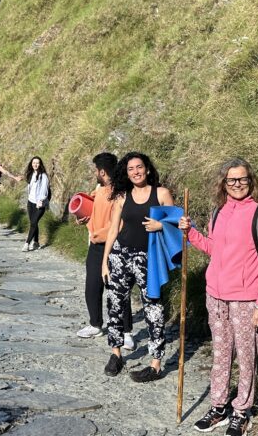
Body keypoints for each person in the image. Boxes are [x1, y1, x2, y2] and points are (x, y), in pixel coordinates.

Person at [179, 157, 258, 436]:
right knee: (221, 354)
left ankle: (242, 411)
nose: (237, 185)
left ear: (251, 181)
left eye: (243, 179)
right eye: (231, 180)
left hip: (247, 300)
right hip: (216, 296)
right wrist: (191, 234)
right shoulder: (217, 212)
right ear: (223, 183)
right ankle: (219, 406)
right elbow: (215, 249)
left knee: (247, 356)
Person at [101, 152, 174, 382]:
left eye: (139, 167)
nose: (136, 172)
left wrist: (160, 224)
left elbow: (175, 225)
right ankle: (116, 354)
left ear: (148, 169)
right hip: (120, 255)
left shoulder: (161, 194)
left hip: (147, 258)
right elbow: (113, 229)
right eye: (131, 168)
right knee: (115, 303)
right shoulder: (122, 196)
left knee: (153, 308)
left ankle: (155, 363)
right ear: (127, 172)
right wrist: (105, 261)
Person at [75, 152, 135, 350]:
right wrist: (83, 218)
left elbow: (118, 223)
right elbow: (92, 210)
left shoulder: (121, 192)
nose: (95, 173)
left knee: (118, 289)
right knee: (92, 286)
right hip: (95, 247)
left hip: (115, 246)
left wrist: (97, 235)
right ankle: (95, 324)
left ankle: (126, 332)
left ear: (102, 171)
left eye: (96, 170)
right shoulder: (99, 190)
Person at [23, 156, 50, 252]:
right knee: (34, 223)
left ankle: (27, 243)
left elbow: (44, 190)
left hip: (40, 203)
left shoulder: (44, 176)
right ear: (31, 163)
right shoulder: (30, 174)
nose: (35, 164)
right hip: (30, 202)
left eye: (37, 163)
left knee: (33, 223)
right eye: (34, 162)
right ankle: (36, 242)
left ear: (40, 164)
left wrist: (41, 201)